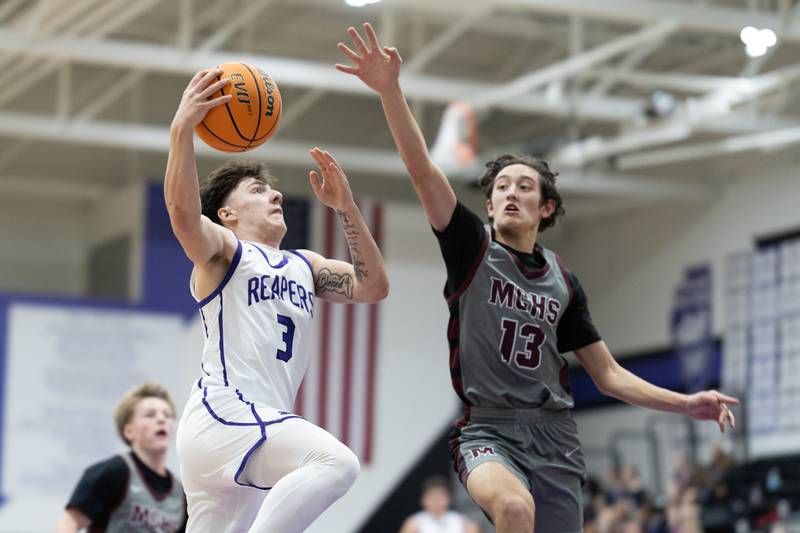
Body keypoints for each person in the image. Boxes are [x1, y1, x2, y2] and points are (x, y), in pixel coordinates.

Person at [336, 23, 738, 533]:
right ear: (488, 203)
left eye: (523, 187)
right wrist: (391, 91)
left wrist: (688, 404)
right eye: (501, 186)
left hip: (555, 436)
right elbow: (422, 172)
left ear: (545, 207)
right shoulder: (471, 246)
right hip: (488, 429)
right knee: (513, 509)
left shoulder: (563, 282)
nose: (509, 193)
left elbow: (608, 375)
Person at [165, 68, 389, 533]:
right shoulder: (225, 251)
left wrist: (346, 208)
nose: (276, 194)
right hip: (227, 414)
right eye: (258, 190)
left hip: (251, 431)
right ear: (227, 214)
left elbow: (373, 286)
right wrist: (182, 130)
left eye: (271, 188)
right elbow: (185, 217)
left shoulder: (304, 266)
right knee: (336, 464)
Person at [56, 382, 186, 533]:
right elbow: (69, 522)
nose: (161, 419)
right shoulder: (112, 472)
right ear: (129, 431)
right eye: (150, 415)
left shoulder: (182, 495)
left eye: (167, 415)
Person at [399, 476, 480, 533]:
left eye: (440, 495)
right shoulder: (414, 523)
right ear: (423, 499)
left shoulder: (463, 522)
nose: (436, 500)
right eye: (432, 496)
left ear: (449, 498)